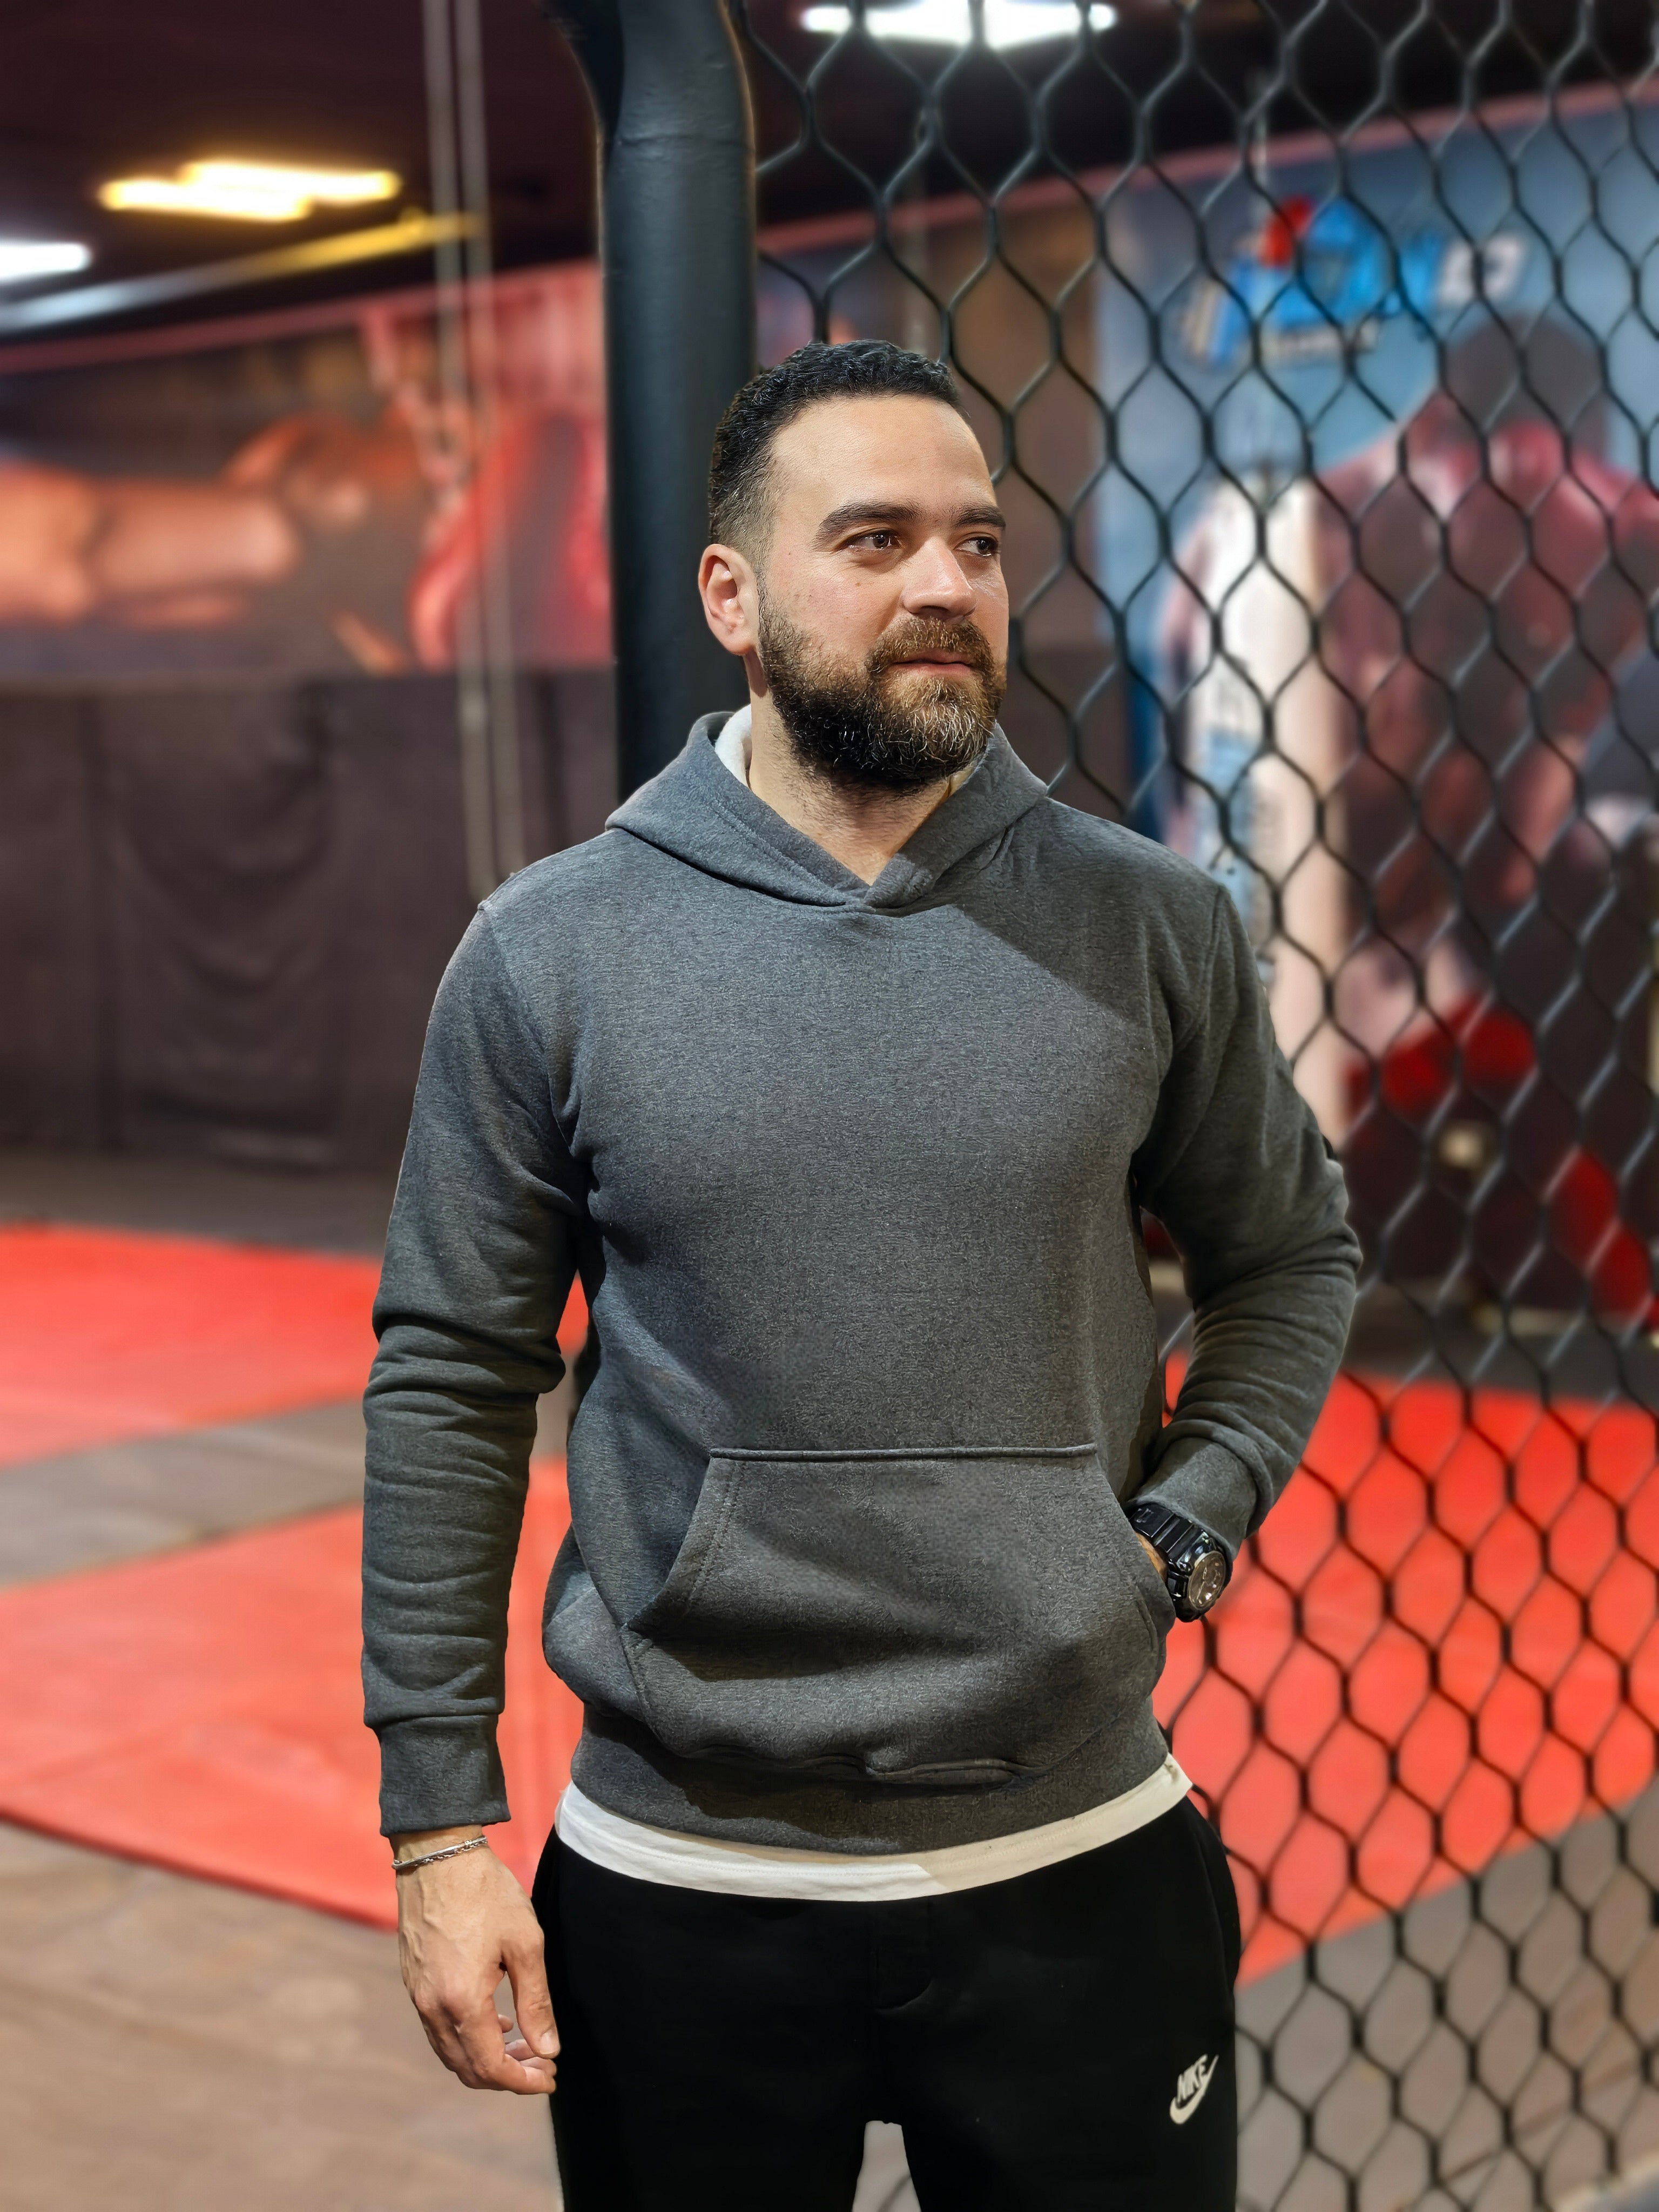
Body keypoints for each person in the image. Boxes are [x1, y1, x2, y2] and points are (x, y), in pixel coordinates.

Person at [362, 339, 1359, 2210]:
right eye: (877, 538)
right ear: (733, 597)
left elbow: (1291, 1254)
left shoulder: (1148, 922)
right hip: (683, 1882)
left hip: (1079, 1855)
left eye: (976, 543)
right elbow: (450, 1367)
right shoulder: (551, 952)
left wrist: (1187, 1523)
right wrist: (438, 1821)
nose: (942, 589)